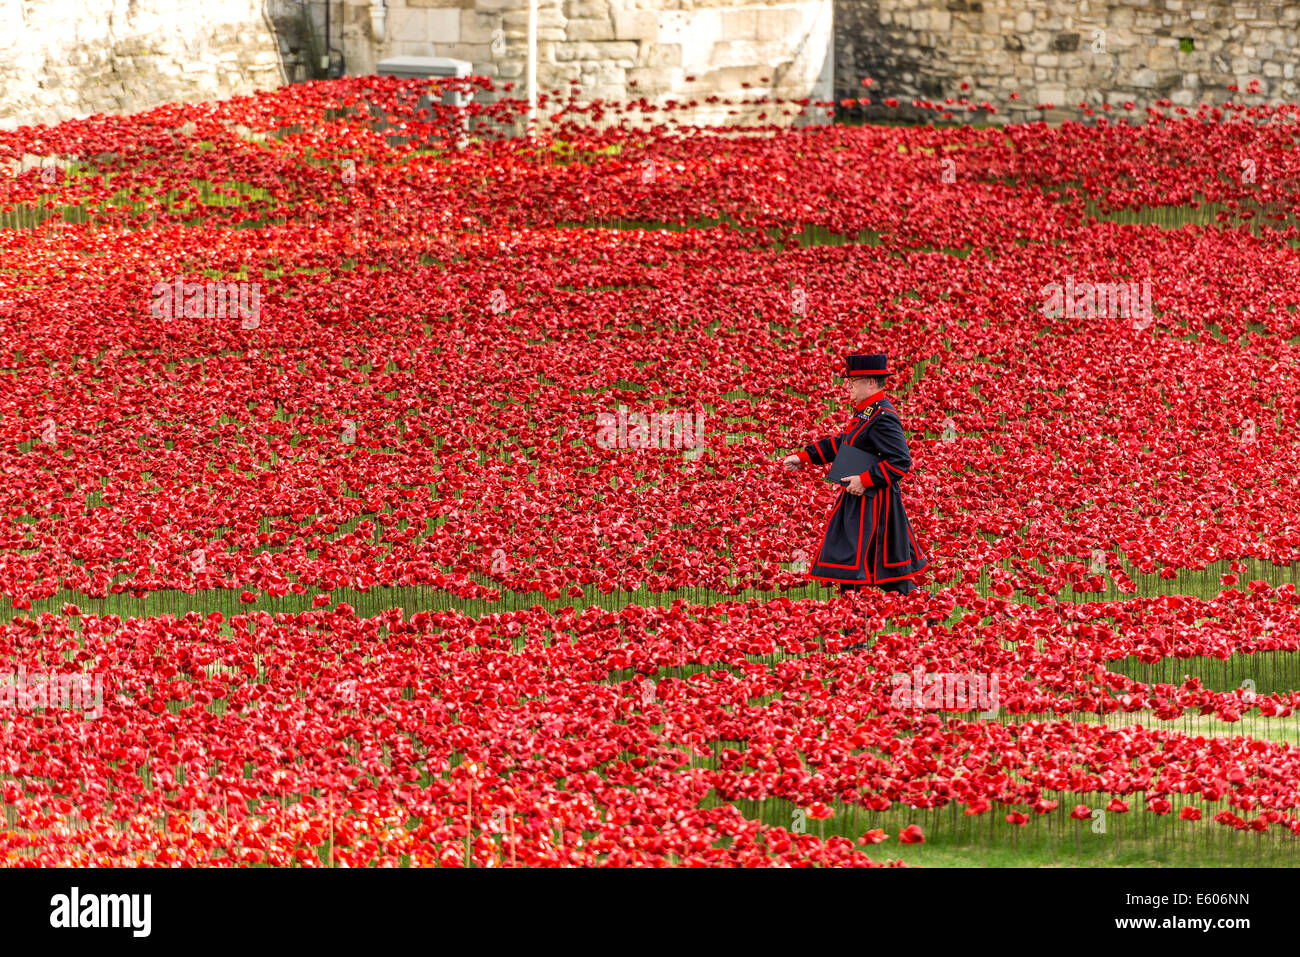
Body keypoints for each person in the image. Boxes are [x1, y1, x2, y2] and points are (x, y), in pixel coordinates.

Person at [781, 353, 928, 604]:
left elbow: (901, 461)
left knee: (866, 566)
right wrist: (804, 457)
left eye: (853, 381)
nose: (847, 387)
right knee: (854, 566)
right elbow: (843, 444)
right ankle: (854, 632)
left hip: (875, 504)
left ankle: (926, 611)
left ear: (871, 382)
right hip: (859, 503)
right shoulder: (866, 412)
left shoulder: (883, 417)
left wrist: (864, 480)